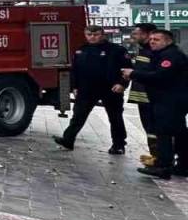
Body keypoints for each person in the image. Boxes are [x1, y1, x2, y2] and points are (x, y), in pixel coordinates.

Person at [55, 25, 130, 154]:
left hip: (110, 88)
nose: (92, 37)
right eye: (89, 34)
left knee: (115, 117)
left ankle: (118, 145)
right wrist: (74, 87)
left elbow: (127, 69)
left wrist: (122, 84)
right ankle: (67, 140)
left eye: (95, 34)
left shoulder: (117, 50)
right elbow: (75, 71)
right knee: (78, 116)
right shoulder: (81, 50)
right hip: (87, 89)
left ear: (102, 35)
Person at [123, 29, 188, 179]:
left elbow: (161, 76)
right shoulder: (160, 55)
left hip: (170, 100)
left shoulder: (170, 56)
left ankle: (163, 166)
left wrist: (133, 74)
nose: (152, 41)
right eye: (151, 39)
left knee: (164, 132)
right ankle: (183, 165)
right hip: (167, 99)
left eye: (156, 39)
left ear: (167, 41)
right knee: (179, 133)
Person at [128, 23, 158, 166]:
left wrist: (133, 74)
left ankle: (159, 158)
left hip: (151, 98)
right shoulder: (144, 50)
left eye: (137, 33)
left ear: (148, 34)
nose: (134, 36)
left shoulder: (153, 52)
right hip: (142, 97)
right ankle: (155, 155)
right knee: (149, 128)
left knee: (155, 129)